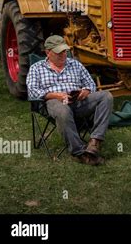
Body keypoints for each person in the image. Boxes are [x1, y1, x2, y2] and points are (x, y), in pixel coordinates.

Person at [26, 35, 113, 165]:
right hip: (53, 103)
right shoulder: (37, 68)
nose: (63, 55)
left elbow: (91, 84)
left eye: (65, 51)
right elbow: (32, 91)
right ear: (48, 52)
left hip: (78, 101)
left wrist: (86, 91)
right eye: (58, 52)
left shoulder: (75, 64)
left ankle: (95, 142)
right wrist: (56, 95)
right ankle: (79, 152)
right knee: (63, 110)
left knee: (106, 96)